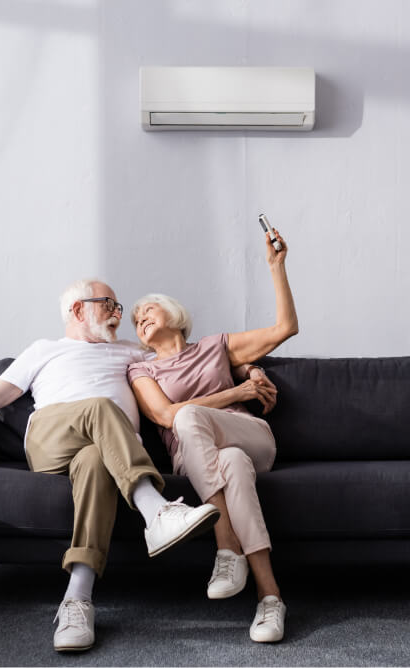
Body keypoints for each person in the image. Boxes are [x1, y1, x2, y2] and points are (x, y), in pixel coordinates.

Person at [0, 279, 221, 653]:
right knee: (100, 406)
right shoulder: (45, 350)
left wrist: (250, 372)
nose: (117, 315)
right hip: (50, 439)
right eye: (108, 304)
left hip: (105, 452)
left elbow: (190, 362)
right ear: (78, 310)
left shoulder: (130, 353)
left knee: (95, 459)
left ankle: (77, 599)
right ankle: (155, 511)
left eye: (118, 307)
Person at [127, 226, 298, 643]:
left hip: (250, 435)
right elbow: (165, 415)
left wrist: (276, 267)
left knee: (207, 430)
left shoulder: (215, 346)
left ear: (174, 314)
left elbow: (285, 327)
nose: (140, 319)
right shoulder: (141, 369)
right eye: (135, 321)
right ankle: (270, 597)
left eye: (148, 310)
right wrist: (238, 390)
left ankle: (226, 548)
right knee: (228, 461)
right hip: (197, 456)